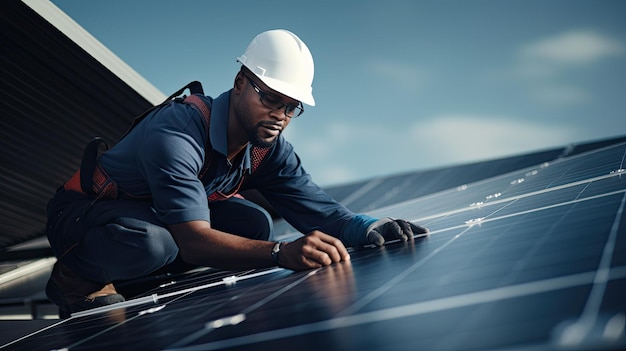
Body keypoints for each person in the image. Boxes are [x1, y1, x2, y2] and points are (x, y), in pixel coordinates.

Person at [45, 29, 428, 318]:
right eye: (270, 98)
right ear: (240, 83)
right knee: (155, 243)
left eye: (291, 107)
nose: (279, 114)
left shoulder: (267, 149)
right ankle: (76, 276)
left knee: (254, 224)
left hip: (150, 217)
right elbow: (194, 241)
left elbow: (317, 208)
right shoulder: (178, 131)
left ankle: (139, 279)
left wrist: (368, 227)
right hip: (81, 217)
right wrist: (281, 253)